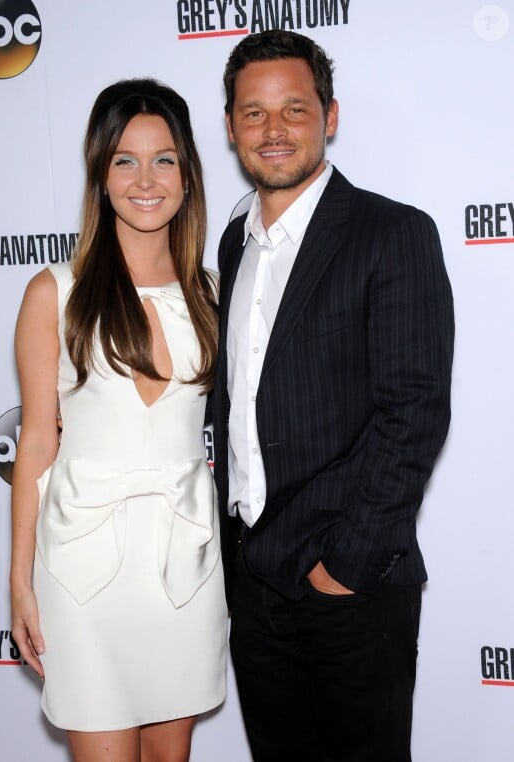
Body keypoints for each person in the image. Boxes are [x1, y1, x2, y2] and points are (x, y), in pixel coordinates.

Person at [212, 30, 454, 762]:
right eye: (253, 113)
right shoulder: (232, 244)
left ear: (330, 116)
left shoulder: (393, 233)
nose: (274, 130)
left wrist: (342, 569)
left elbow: (414, 413)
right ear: (230, 127)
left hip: (350, 585)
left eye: (294, 109)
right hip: (253, 587)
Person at [10, 78, 227, 762]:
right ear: (101, 175)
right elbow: (38, 441)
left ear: (188, 176)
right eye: (125, 160)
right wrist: (19, 578)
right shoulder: (55, 292)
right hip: (82, 568)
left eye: (164, 159)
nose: (145, 179)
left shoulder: (214, 292)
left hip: (185, 562)